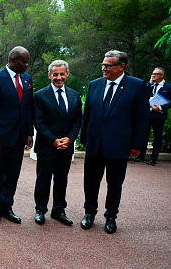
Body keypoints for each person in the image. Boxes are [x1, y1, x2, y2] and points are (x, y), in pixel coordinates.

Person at [80, 50, 149, 234]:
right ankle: (89, 213)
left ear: (121, 66)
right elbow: (87, 115)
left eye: (108, 65)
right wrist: (84, 139)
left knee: (115, 183)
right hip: (95, 144)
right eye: (103, 64)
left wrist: (137, 145)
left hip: (119, 145)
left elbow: (142, 118)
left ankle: (111, 217)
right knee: (91, 182)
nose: (104, 68)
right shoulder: (94, 85)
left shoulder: (136, 85)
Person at [0, 46, 34, 224]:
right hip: (1, 137)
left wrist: (29, 132)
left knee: (13, 173)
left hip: (19, 136)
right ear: (13, 61)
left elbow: (27, 108)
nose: (27, 66)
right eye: (24, 62)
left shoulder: (27, 79)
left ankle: (8, 206)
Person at [32, 60, 83, 226]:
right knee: (43, 179)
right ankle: (40, 210)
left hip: (66, 146)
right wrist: (53, 141)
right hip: (47, 146)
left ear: (67, 74)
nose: (58, 77)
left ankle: (59, 210)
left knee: (62, 179)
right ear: (49, 75)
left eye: (62, 74)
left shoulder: (75, 95)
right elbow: (38, 122)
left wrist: (69, 138)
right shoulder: (39, 96)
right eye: (55, 74)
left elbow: (77, 120)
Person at [135, 67, 171, 166]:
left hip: (159, 115)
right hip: (147, 114)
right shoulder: (149, 86)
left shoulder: (168, 87)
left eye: (156, 74)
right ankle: (141, 155)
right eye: (152, 74)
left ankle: (153, 158)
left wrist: (160, 107)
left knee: (157, 136)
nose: (153, 75)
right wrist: (150, 83)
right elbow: (142, 94)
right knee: (144, 134)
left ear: (162, 75)